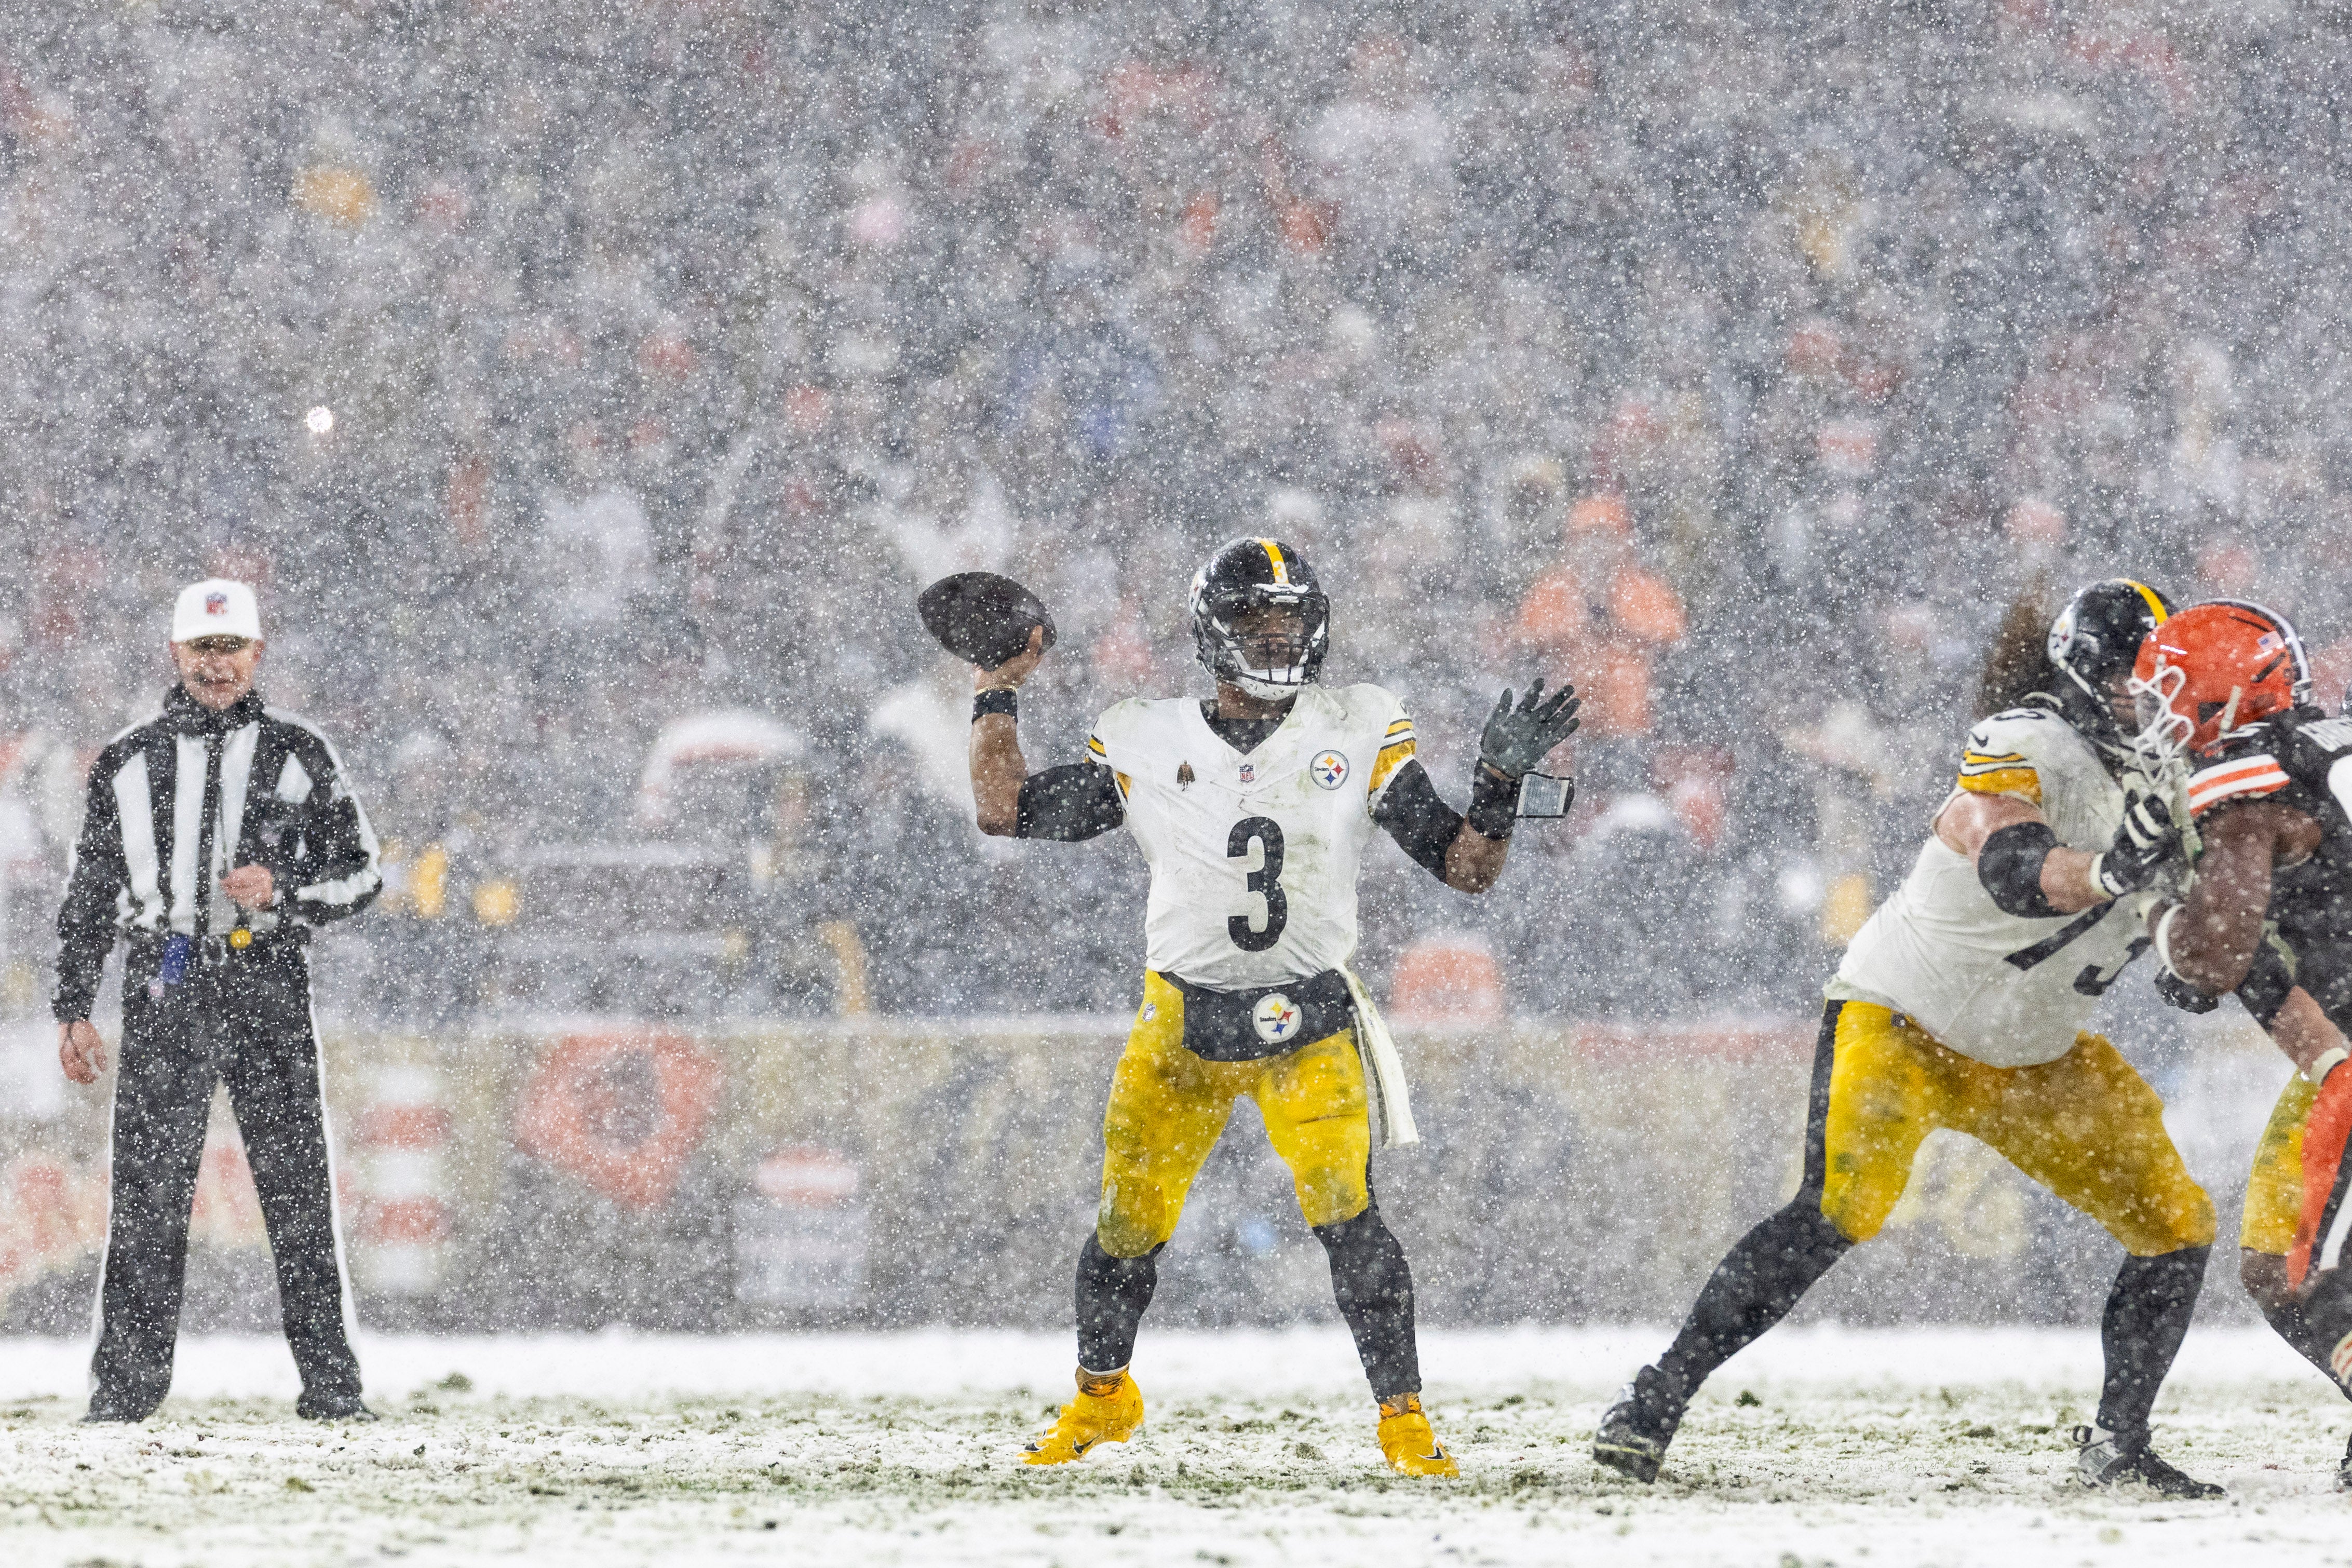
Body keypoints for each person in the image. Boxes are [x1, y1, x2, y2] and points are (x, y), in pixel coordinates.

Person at [1594, 580, 2222, 1495]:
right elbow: (2012, 868)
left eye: (2171, 682)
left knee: (2176, 1227)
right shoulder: (2024, 740)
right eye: (2141, 679)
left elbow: (2195, 940)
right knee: (1837, 1208)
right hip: (1906, 1020)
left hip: (2035, 1052)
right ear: (2088, 676)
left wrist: (2191, 951)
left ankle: (2118, 1446)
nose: (2159, 702)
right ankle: (1655, 1396)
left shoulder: (2185, 786)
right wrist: (2113, 867)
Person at [967, 537, 1578, 1476]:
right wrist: (994, 689)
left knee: (1348, 1215)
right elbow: (1002, 808)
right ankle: (1101, 1398)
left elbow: (1466, 870)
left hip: (1310, 1023)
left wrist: (1495, 793)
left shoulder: (1355, 723)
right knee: (1127, 1225)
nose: (1278, 634)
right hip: (1180, 1025)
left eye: (1290, 617)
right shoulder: (1144, 734)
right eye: (1257, 616)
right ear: (1214, 629)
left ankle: (1404, 1423)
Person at [53, 578, 383, 1422]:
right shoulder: (126, 759)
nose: (217, 664)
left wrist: (287, 889)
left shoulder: (301, 752)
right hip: (166, 978)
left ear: (257, 654)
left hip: (266, 977)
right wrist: (73, 1004)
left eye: (231, 647)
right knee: (148, 1195)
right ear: (175, 653)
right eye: (202, 648)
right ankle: (124, 1393)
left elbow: (365, 872)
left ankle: (333, 1389)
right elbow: (90, 890)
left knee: (298, 1191)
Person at [2130, 599, 2352, 1487]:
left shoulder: (2247, 770)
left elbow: (2213, 956)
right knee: (2279, 1263)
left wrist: (2153, 904)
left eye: (2170, 694)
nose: (2156, 717)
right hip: (2341, 1051)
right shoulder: (2323, 745)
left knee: (2281, 1269)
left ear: (2224, 695)